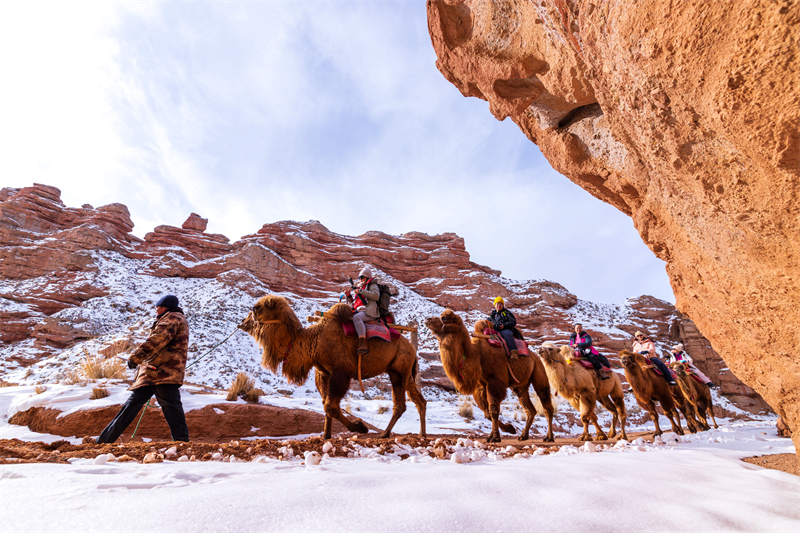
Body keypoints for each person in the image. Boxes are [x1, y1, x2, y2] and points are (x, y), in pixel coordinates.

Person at [87, 294, 190, 444]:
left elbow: (157, 339)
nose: (156, 310)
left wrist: (136, 357)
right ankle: (103, 440)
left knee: (168, 406)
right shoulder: (173, 318)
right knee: (139, 406)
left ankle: (182, 442)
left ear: (165, 307)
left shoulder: (172, 317)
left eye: (158, 307)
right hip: (155, 372)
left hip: (162, 372)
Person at [344, 266, 381, 357]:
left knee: (357, 318)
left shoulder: (372, 285)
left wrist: (361, 291)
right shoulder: (361, 288)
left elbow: (376, 296)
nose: (360, 279)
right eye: (359, 278)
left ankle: (362, 343)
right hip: (359, 310)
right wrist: (349, 296)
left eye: (361, 277)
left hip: (370, 312)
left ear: (367, 277)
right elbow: (355, 303)